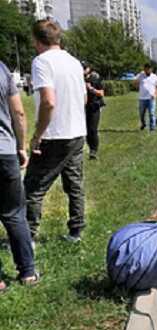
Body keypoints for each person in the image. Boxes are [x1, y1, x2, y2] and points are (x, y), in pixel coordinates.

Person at [24, 19, 87, 243]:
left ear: (36, 39)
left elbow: (48, 102)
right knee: (74, 185)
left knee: (33, 189)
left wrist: (37, 136)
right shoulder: (74, 62)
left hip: (55, 135)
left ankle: (28, 237)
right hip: (77, 132)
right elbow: (85, 97)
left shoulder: (41, 62)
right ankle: (76, 231)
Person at [0, 60, 40, 292]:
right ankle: (27, 272)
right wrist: (22, 146)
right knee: (15, 213)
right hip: (5, 151)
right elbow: (18, 111)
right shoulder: (3, 70)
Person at [83, 62, 105, 160]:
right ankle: (90, 148)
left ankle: (94, 151)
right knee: (86, 130)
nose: (82, 70)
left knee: (93, 129)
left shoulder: (96, 78)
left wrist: (91, 89)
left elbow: (101, 93)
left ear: (89, 68)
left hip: (94, 106)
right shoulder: (79, 78)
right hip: (84, 107)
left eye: (84, 68)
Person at [135, 63, 157, 132]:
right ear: (144, 69)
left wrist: (155, 95)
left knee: (152, 113)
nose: (147, 70)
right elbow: (135, 84)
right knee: (141, 114)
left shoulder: (155, 77)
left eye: (149, 68)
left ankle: (152, 128)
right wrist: (138, 77)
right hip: (142, 98)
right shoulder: (140, 75)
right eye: (146, 68)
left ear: (151, 69)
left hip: (151, 98)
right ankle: (143, 124)